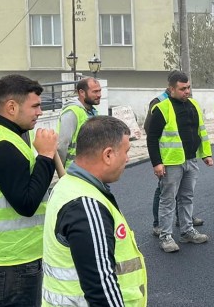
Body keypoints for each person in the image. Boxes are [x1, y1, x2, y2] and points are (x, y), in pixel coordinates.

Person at [0, 74, 57, 307]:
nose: (40, 112)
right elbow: (26, 204)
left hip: (7, 257)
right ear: (12, 107)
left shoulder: (0, 136)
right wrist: (46, 157)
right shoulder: (3, 147)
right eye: (35, 106)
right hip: (13, 260)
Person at [41, 116, 148, 306]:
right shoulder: (87, 205)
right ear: (108, 155)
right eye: (126, 151)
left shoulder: (67, 185)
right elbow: (101, 290)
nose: (127, 158)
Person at [147, 71, 213, 252]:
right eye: (183, 89)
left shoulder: (193, 105)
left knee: (187, 197)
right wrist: (157, 163)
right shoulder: (161, 108)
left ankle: (187, 231)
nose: (187, 92)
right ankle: (166, 237)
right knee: (168, 200)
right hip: (171, 162)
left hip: (191, 160)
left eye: (188, 88)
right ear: (171, 89)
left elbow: (201, 131)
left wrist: (206, 154)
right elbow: (152, 138)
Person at [57, 77, 101, 167]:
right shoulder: (71, 112)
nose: (99, 95)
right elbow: (62, 145)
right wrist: (61, 170)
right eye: (95, 92)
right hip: (74, 169)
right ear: (82, 93)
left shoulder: (93, 111)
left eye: (100, 91)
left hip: (89, 167)